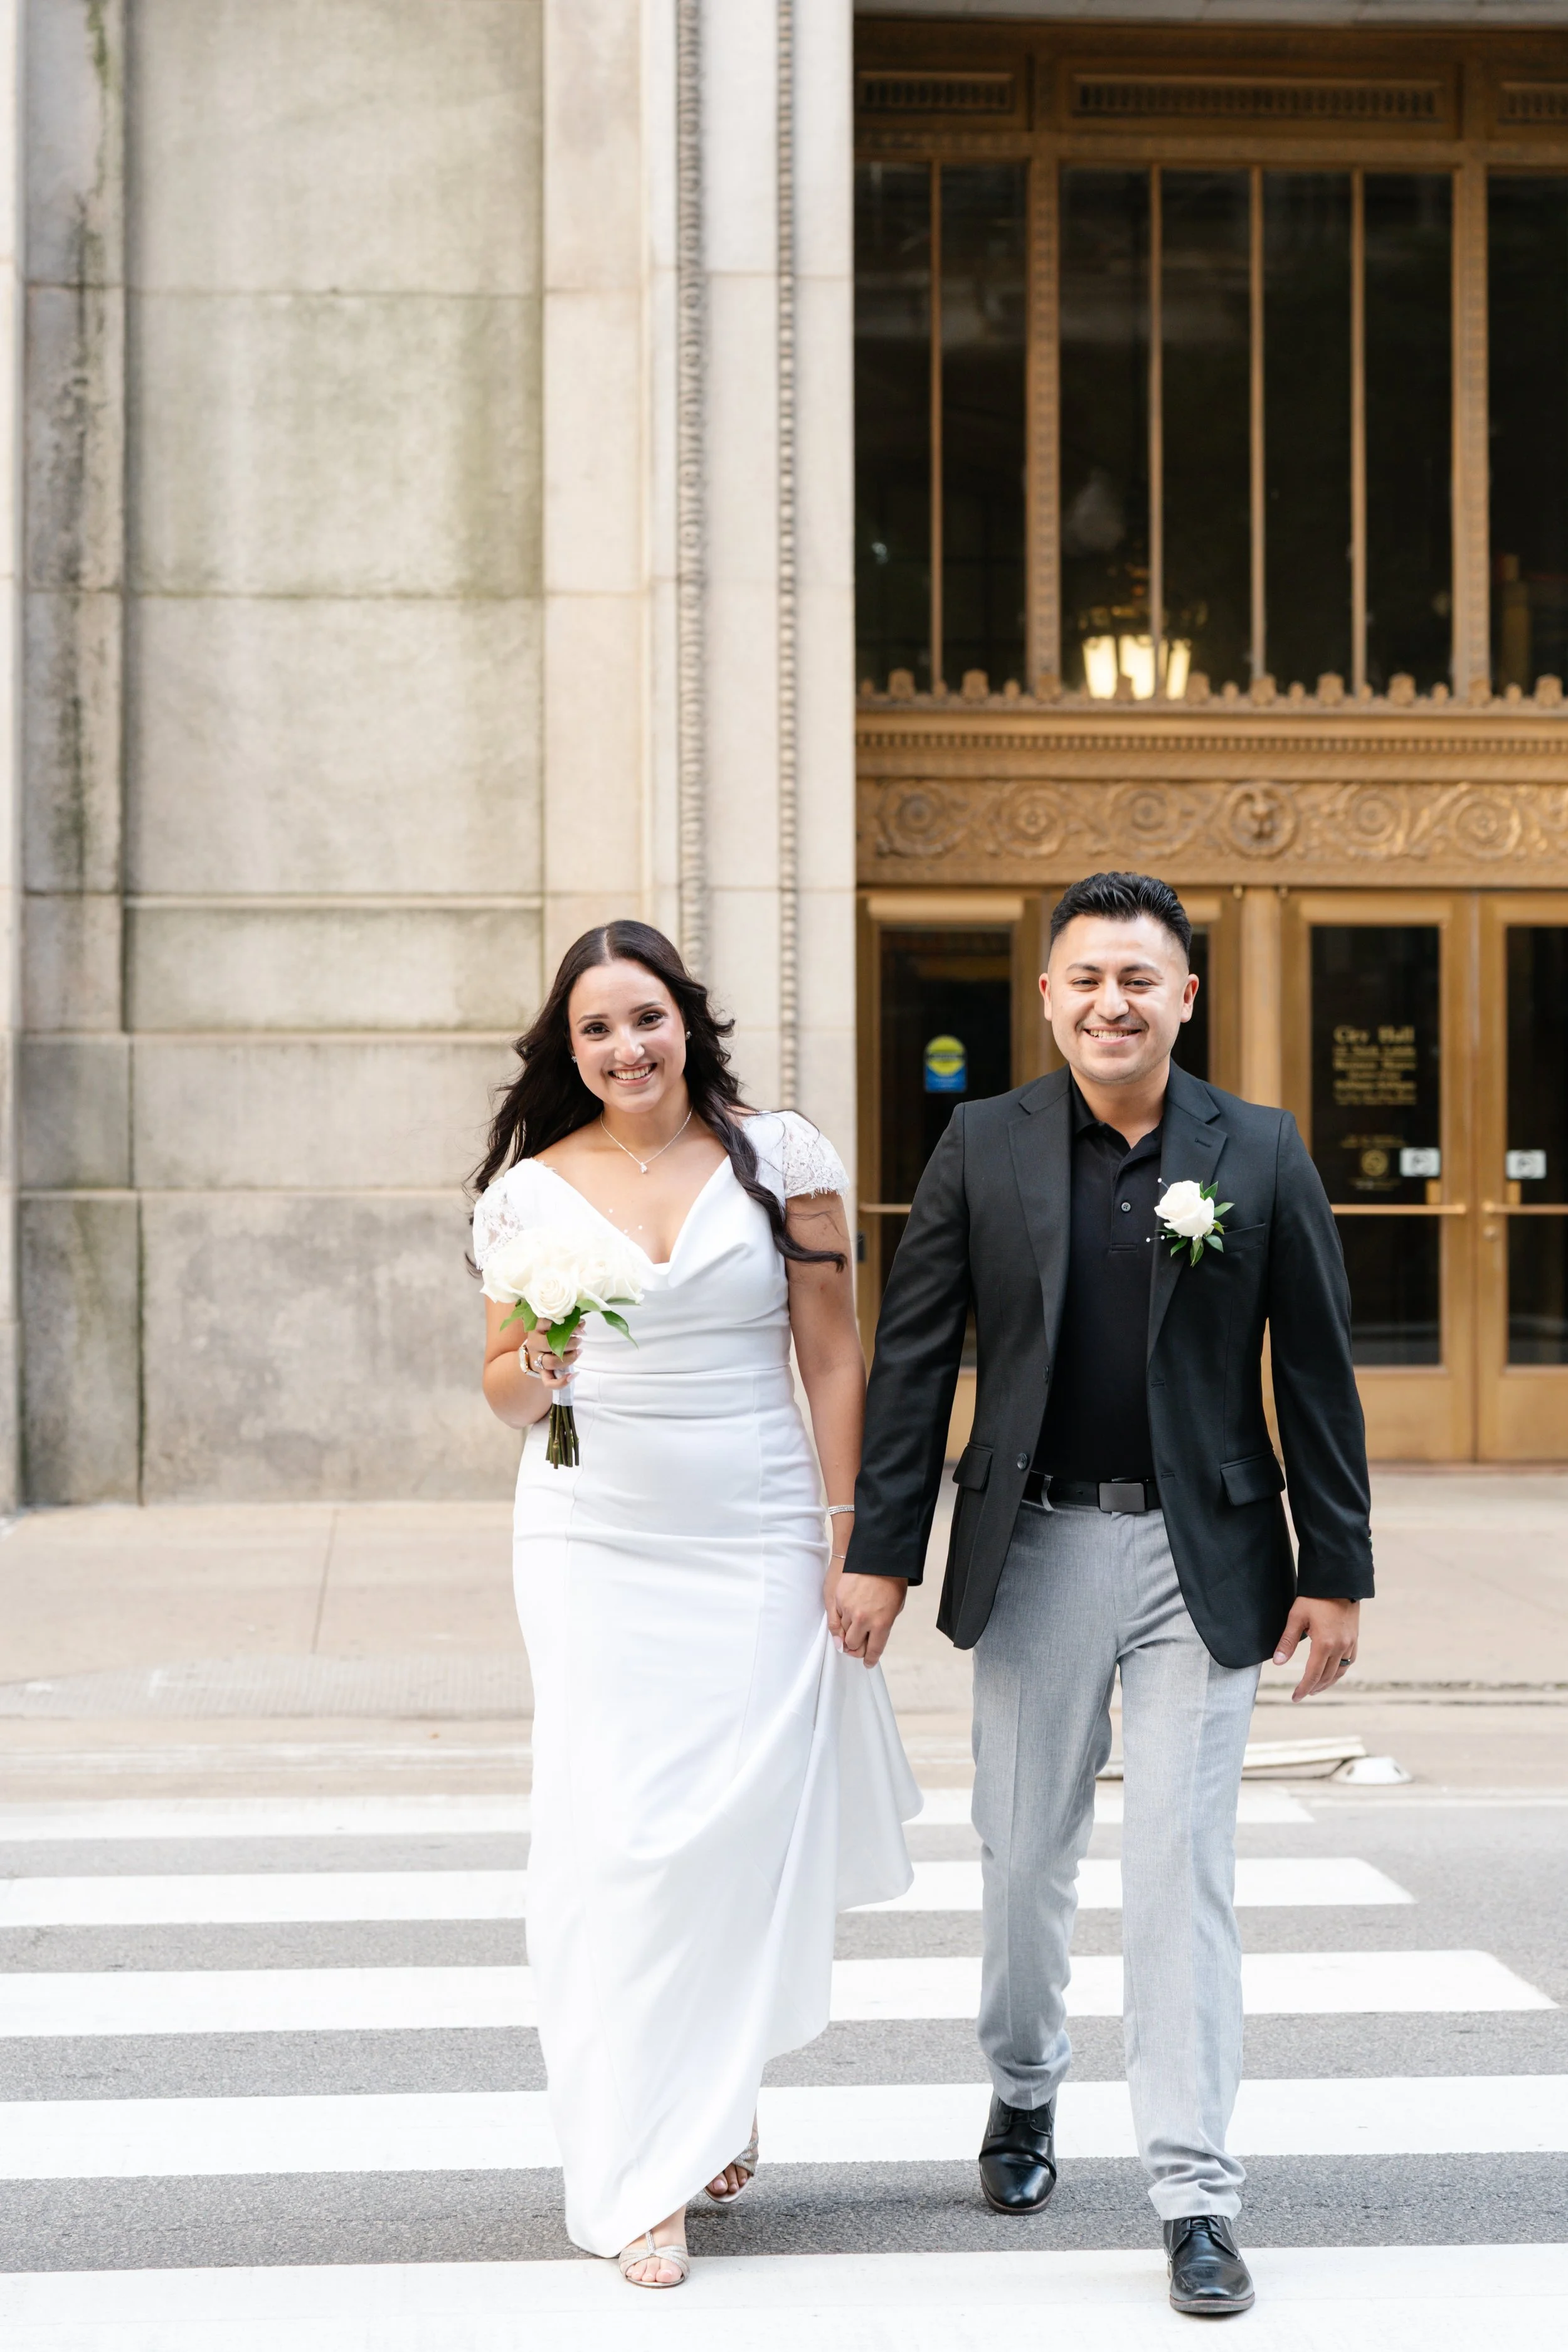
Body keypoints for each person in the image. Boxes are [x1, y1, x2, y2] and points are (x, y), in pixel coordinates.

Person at [835, 871, 1374, 2318]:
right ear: (1048, 996)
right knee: (1021, 1856)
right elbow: (909, 1363)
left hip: (1204, 1562)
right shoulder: (978, 1143)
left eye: (1137, 979)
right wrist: (878, 1549)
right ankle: (1022, 2090)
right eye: (1083, 978)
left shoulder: (1253, 1152)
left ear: (1182, 996)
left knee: (1177, 1875)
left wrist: (1335, 1569)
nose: (1109, 1002)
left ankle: (1193, 2190)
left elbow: (1313, 1371)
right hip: (1037, 1550)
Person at [471, 920, 916, 2289]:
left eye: (646, 1019)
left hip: (758, 1531)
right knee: (616, 1844)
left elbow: (835, 1357)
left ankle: (714, 2092)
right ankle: (637, 2169)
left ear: (688, 1023)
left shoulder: (783, 1162)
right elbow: (498, 1389)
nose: (625, 1049)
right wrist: (536, 1361)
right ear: (568, 1047)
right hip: (591, 1538)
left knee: (735, 1831)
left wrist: (856, 1540)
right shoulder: (529, 1194)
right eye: (597, 1028)